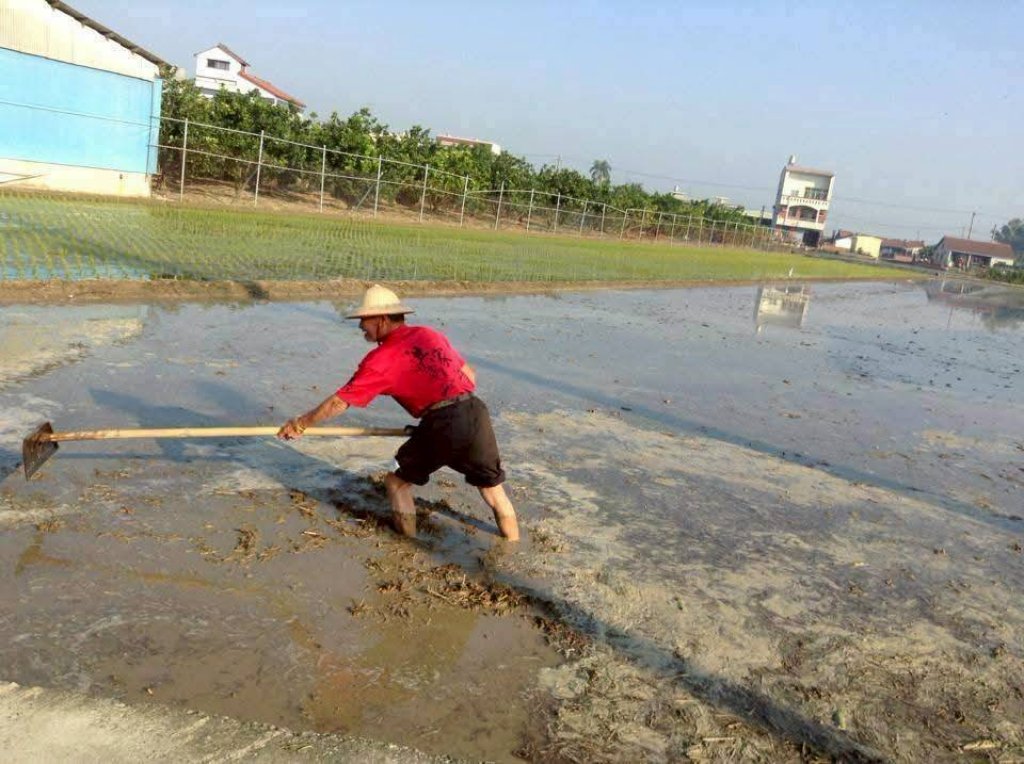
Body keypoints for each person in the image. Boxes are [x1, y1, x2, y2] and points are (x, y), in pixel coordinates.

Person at [277, 284, 520, 541]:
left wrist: (300, 423)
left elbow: (339, 403)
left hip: (445, 422)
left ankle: (408, 545)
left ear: (381, 319)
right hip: (475, 412)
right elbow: (469, 375)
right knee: (492, 490)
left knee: (397, 484)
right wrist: (435, 421)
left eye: (364, 320)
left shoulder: (382, 359)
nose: (360, 326)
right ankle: (513, 545)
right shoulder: (429, 334)